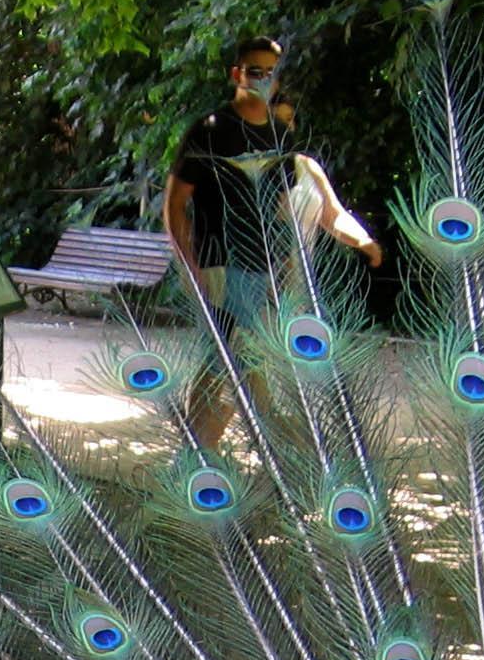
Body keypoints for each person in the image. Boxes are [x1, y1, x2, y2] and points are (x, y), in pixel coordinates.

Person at [164, 36, 384, 447]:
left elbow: (280, 209)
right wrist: (190, 266)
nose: (264, 80)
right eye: (255, 71)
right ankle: (200, 458)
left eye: (272, 73)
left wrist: (289, 265)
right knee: (230, 360)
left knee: (230, 362)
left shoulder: (281, 138)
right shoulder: (210, 130)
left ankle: (202, 458)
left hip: (265, 270)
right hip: (222, 264)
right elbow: (175, 204)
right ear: (237, 74)